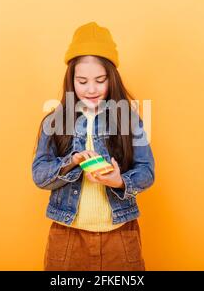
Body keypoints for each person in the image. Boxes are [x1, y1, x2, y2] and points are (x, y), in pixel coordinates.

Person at [32, 21, 155, 270]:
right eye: (82, 81)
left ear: (112, 78)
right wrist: (72, 162)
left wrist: (120, 182)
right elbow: (39, 176)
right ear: (71, 79)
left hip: (120, 234)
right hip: (67, 236)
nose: (91, 89)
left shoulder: (129, 118)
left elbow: (147, 172)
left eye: (100, 80)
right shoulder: (54, 121)